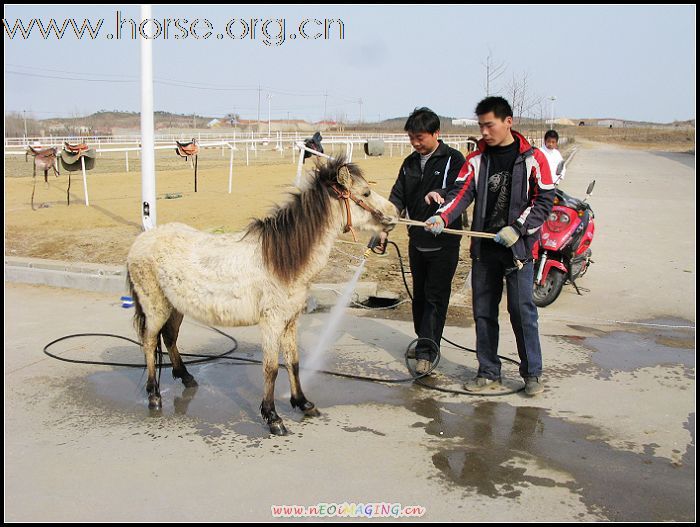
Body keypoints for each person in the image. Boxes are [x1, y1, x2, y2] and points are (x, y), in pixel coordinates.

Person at [424, 97, 555, 396]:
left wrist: (519, 229)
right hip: (485, 252)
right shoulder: (476, 161)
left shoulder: (534, 159)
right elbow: (461, 193)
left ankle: (532, 373)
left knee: (522, 312)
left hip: (518, 252)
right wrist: (442, 217)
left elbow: (544, 201)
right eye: (480, 125)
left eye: (489, 125)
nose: (484, 131)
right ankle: (488, 370)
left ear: (508, 121)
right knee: (483, 312)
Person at [386, 107, 466, 375]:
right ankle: (424, 340)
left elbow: (459, 191)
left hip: (444, 243)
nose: (416, 143)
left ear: (436, 133)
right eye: (411, 138)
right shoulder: (409, 163)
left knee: (435, 297)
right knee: (419, 295)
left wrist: (440, 194)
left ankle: (426, 352)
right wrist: (385, 222)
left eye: (420, 137)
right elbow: (397, 196)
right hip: (416, 240)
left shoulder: (453, 159)